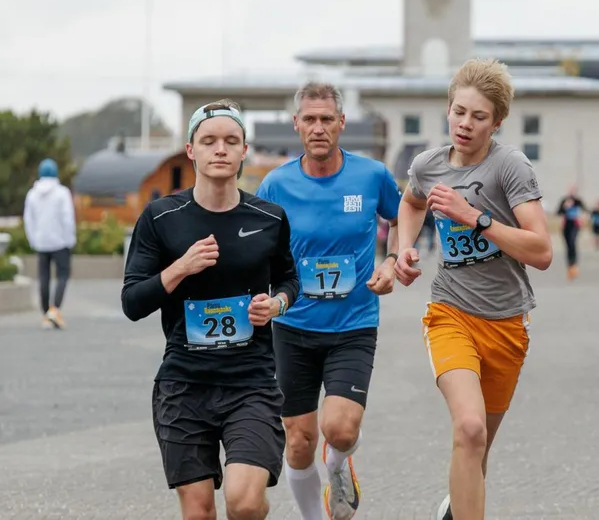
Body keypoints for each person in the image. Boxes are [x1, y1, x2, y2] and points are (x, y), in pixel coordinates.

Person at [121, 101, 299, 520]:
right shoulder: (162, 217)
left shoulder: (269, 218)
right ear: (191, 150)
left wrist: (276, 304)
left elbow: (291, 281)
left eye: (230, 141)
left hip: (250, 383)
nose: (220, 149)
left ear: (243, 152)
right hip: (184, 384)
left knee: (245, 501)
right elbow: (132, 303)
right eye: (209, 141)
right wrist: (180, 268)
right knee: (199, 512)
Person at [391, 57, 552, 520]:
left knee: (477, 450)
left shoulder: (510, 167)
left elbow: (541, 252)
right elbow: (411, 201)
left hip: (506, 324)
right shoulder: (428, 164)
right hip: (450, 312)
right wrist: (403, 249)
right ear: (448, 109)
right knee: (470, 428)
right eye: (459, 111)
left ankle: (455, 507)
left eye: (479, 116)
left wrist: (475, 218)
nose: (466, 124)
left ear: (496, 122)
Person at [256, 82, 402, 520]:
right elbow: (257, 248)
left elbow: (402, 217)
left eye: (326, 119)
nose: (318, 127)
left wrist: (392, 260)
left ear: (341, 123)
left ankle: (339, 465)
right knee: (299, 443)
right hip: (293, 326)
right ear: (296, 124)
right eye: (309, 119)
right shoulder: (275, 185)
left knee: (338, 429)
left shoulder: (371, 176)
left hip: (353, 324)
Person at [23, 158, 75, 330]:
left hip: (41, 242)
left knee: (43, 278)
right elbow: (67, 218)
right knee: (63, 275)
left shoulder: (32, 194)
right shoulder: (62, 193)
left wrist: (33, 239)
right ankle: (55, 309)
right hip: (60, 241)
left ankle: (45, 314)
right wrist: (70, 239)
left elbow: (28, 220)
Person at [557, 186, 584, 280]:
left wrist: (582, 217)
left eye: (573, 190)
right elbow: (558, 212)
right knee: (568, 245)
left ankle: (574, 264)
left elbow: (584, 210)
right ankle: (569, 265)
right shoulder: (564, 200)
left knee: (573, 242)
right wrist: (565, 207)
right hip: (566, 226)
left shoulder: (578, 201)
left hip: (575, 225)